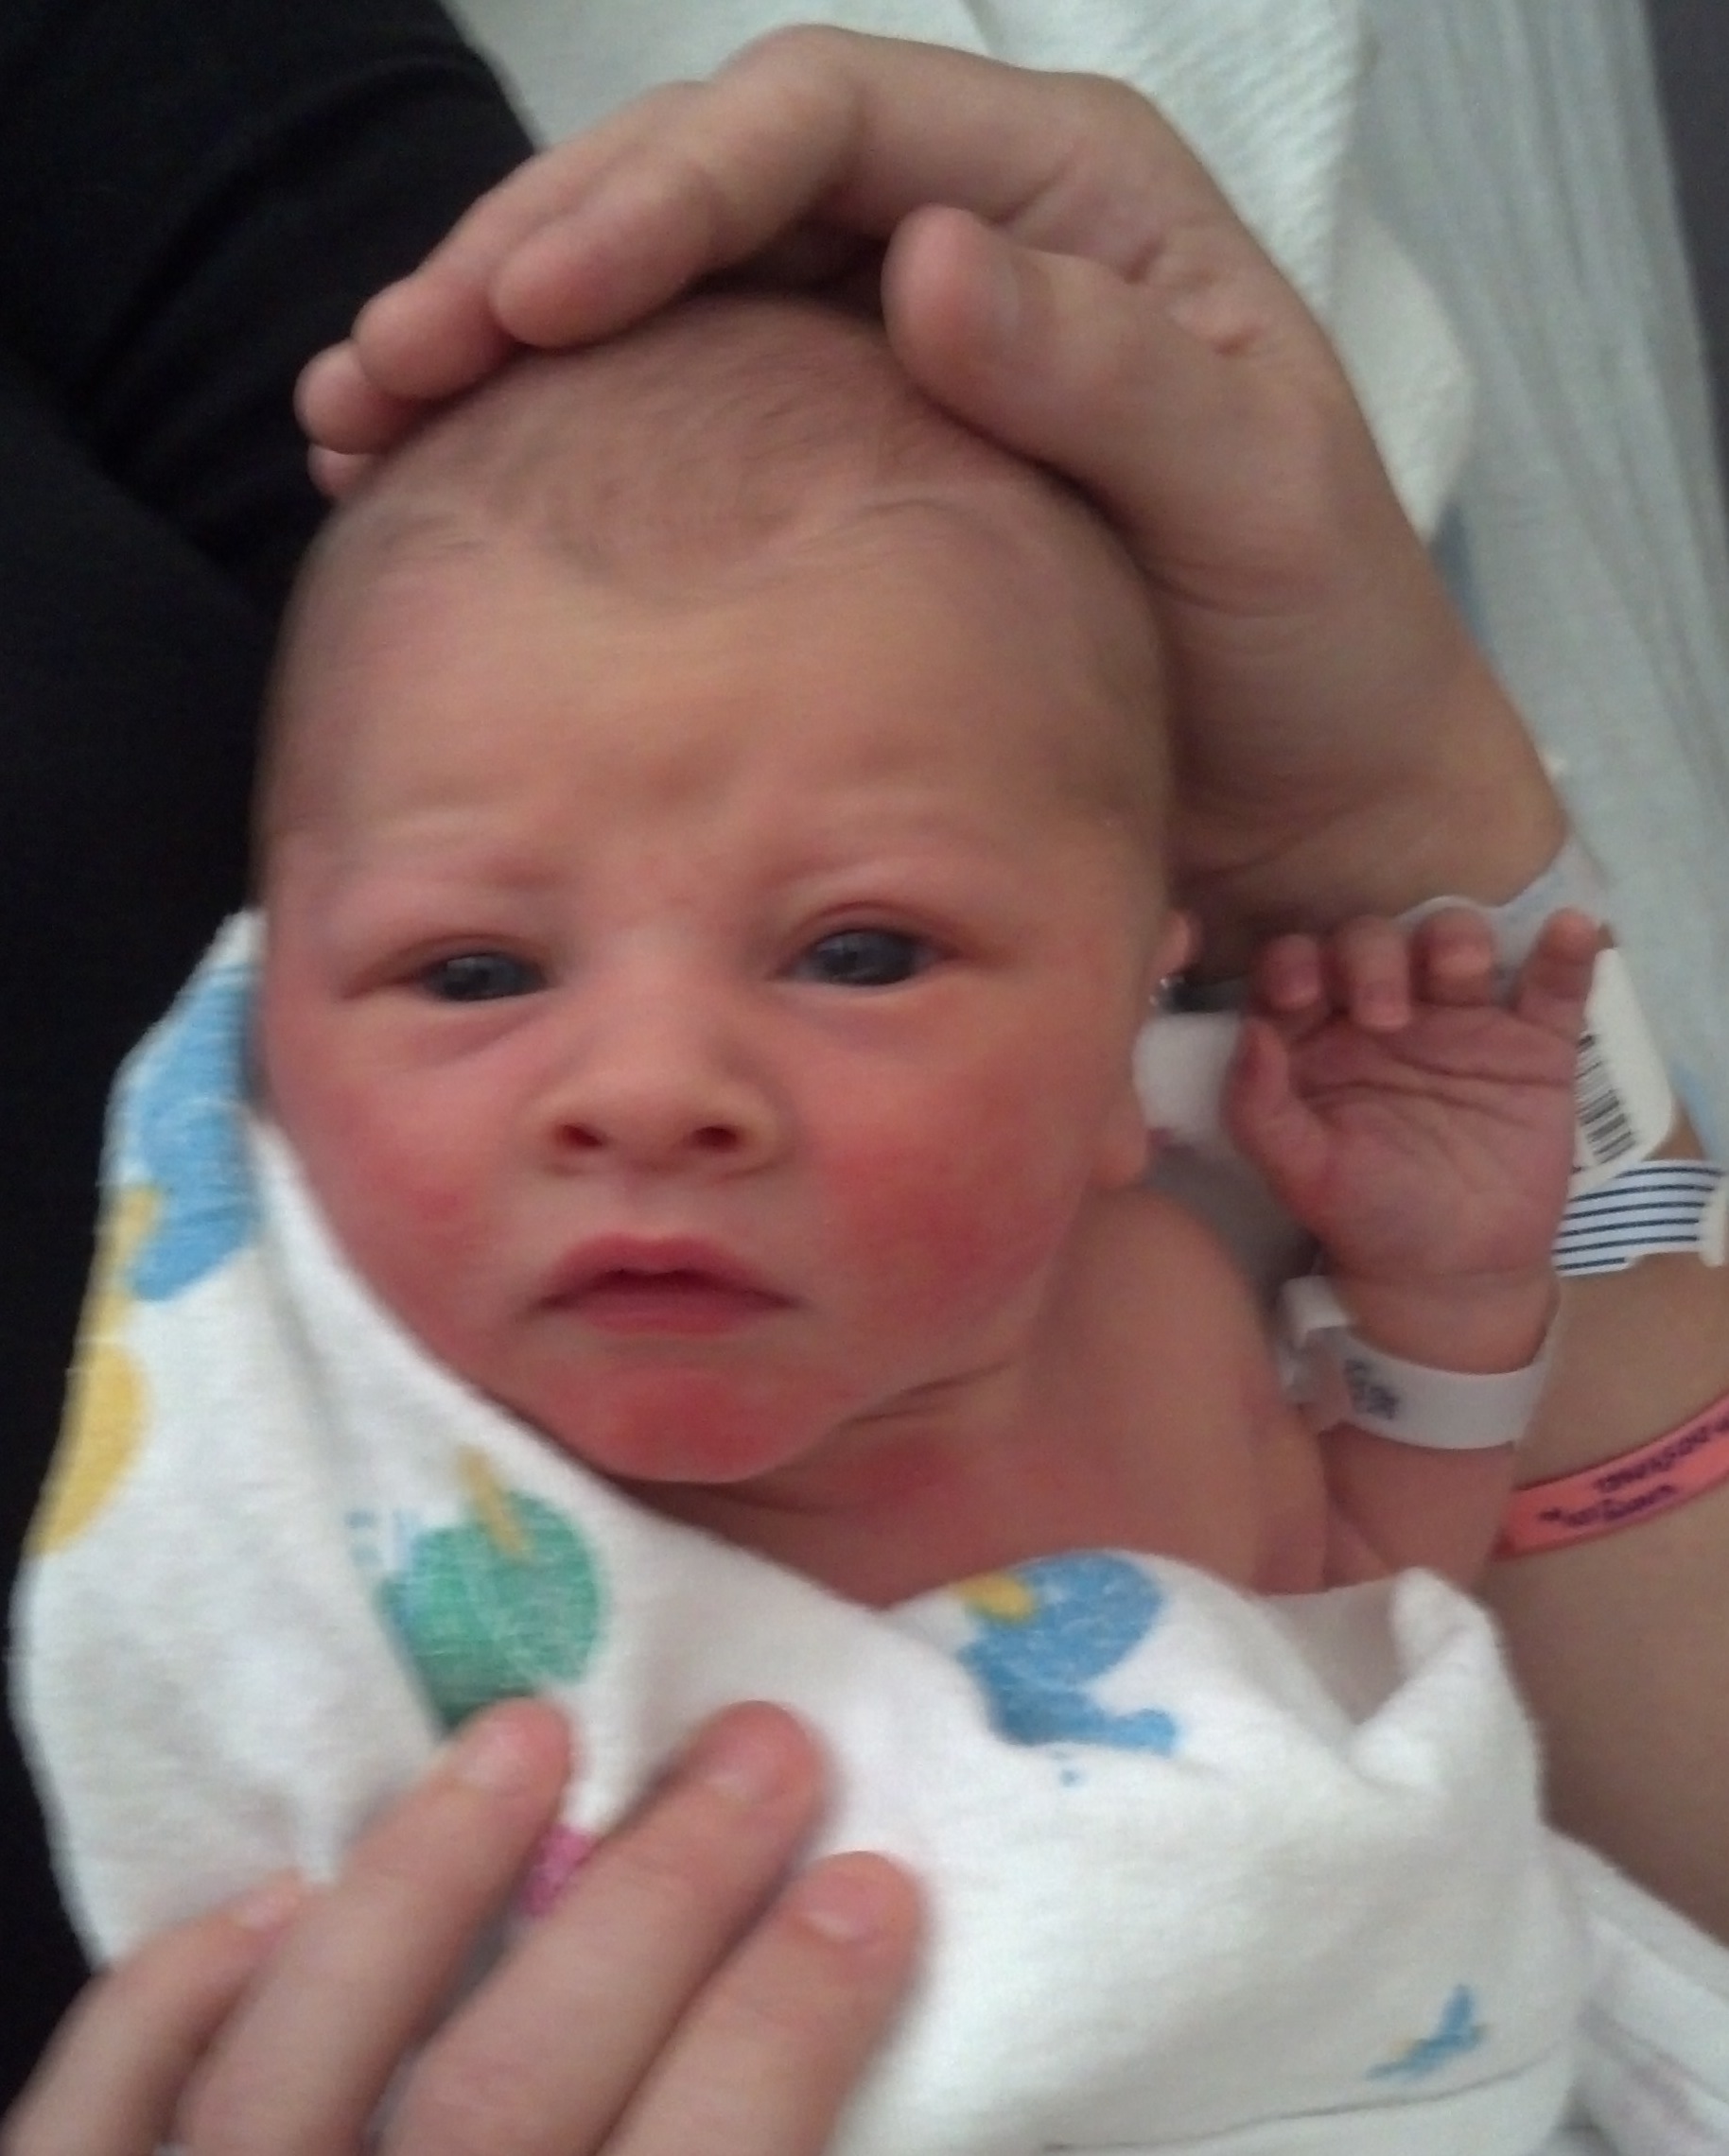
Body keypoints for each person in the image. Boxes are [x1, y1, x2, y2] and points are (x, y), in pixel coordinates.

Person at [9, 26, 1729, 2156]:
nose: (652, 1091)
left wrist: (1456, 1310)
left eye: (857, 954)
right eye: (473, 973)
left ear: (1127, 1040)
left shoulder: (1155, 1330)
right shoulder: (323, 1470)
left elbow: (1370, 1627)